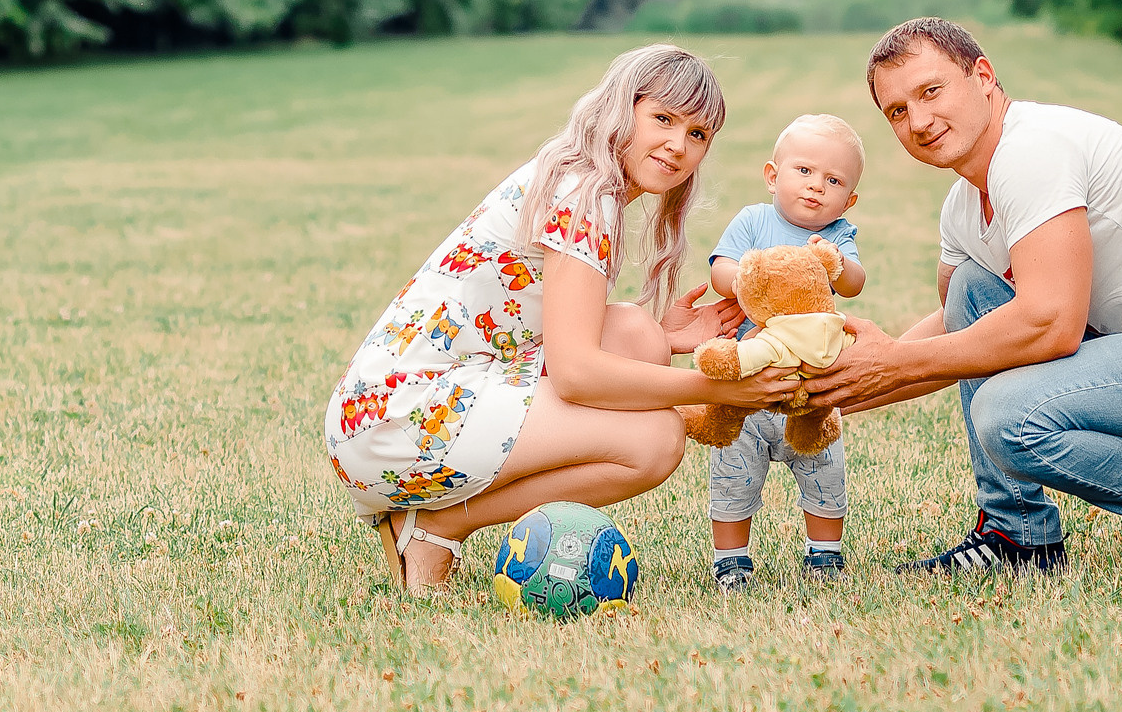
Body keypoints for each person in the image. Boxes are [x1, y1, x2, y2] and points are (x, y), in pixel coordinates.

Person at [804, 19, 1122, 582]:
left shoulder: (1033, 150)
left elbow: (1051, 325)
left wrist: (891, 363)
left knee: (1009, 416)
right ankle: (1016, 533)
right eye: (897, 111)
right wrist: (825, 390)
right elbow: (959, 336)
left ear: (984, 76)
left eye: (930, 91)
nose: (918, 121)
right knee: (974, 288)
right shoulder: (963, 208)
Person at [323, 44, 801, 595]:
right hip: (395, 422)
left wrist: (665, 340)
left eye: (697, 134)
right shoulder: (584, 195)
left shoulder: (581, 177)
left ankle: (433, 520)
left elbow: (564, 333)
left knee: (638, 335)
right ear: (623, 110)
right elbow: (575, 373)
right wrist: (717, 389)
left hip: (388, 406)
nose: (678, 145)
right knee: (657, 441)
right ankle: (438, 524)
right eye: (663, 119)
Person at [702, 114, 869, 591]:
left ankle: (825, 554)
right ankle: (731, 559)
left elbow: (855, 283)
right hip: (749, 387)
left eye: (833, 180)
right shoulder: (754, 220)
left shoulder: (837, 234)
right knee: (734, 474)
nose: (817, 187)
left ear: (848, 199)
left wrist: (835, 265)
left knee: (823, 469)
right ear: (773, 176)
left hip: (809, 390)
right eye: (804, 171)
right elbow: (720, 269)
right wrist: (746, 280)